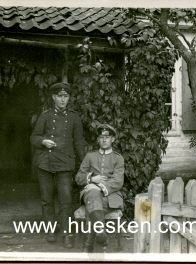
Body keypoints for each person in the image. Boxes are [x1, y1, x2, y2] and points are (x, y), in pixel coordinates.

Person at [30, 82, 85, 248]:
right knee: (47, 199)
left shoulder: (74, 117)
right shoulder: (45, 116)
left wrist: (84, 164)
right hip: (45, 163)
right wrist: (43, 141)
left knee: (66, 200)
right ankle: (50, 230)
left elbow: (79, 142)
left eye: (65, 96)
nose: (63, 100)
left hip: (65, 164)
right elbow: (33, 138)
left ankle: (67, 233)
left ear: (68, 98)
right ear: (54, 98)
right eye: (59, 96)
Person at [75, 124, 124, 252]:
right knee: (92, 191)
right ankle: (100, 232)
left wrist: (99, 187)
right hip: (92, 194)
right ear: (98, 139)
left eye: (107, 137)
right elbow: (78, 177)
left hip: (110, 196)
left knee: (92, 193)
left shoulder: (118, 158)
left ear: (112, 139)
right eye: (101, 137)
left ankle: (89, 243)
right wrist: (91, 179)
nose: (104, 140)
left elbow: (118, 181)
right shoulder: (90, 156)